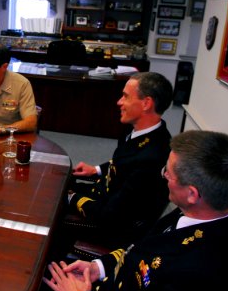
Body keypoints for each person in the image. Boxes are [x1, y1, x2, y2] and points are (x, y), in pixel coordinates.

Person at [44, 130, 228, 291]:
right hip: (107, 279)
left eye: (168, 173)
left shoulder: (199, 272)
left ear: (192, 194)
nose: (163, 176)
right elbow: (139, 249)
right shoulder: (196, 212)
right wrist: (98, 268)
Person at [64, 72, 173, 249]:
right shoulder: (143, 132)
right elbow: (124, 164)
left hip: (110, 226)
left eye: (125, 96)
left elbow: (110, 217)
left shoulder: (154, 157)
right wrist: (97, 170)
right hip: (106, 196)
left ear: (146, 103)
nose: (119, 102)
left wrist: (71, 197)